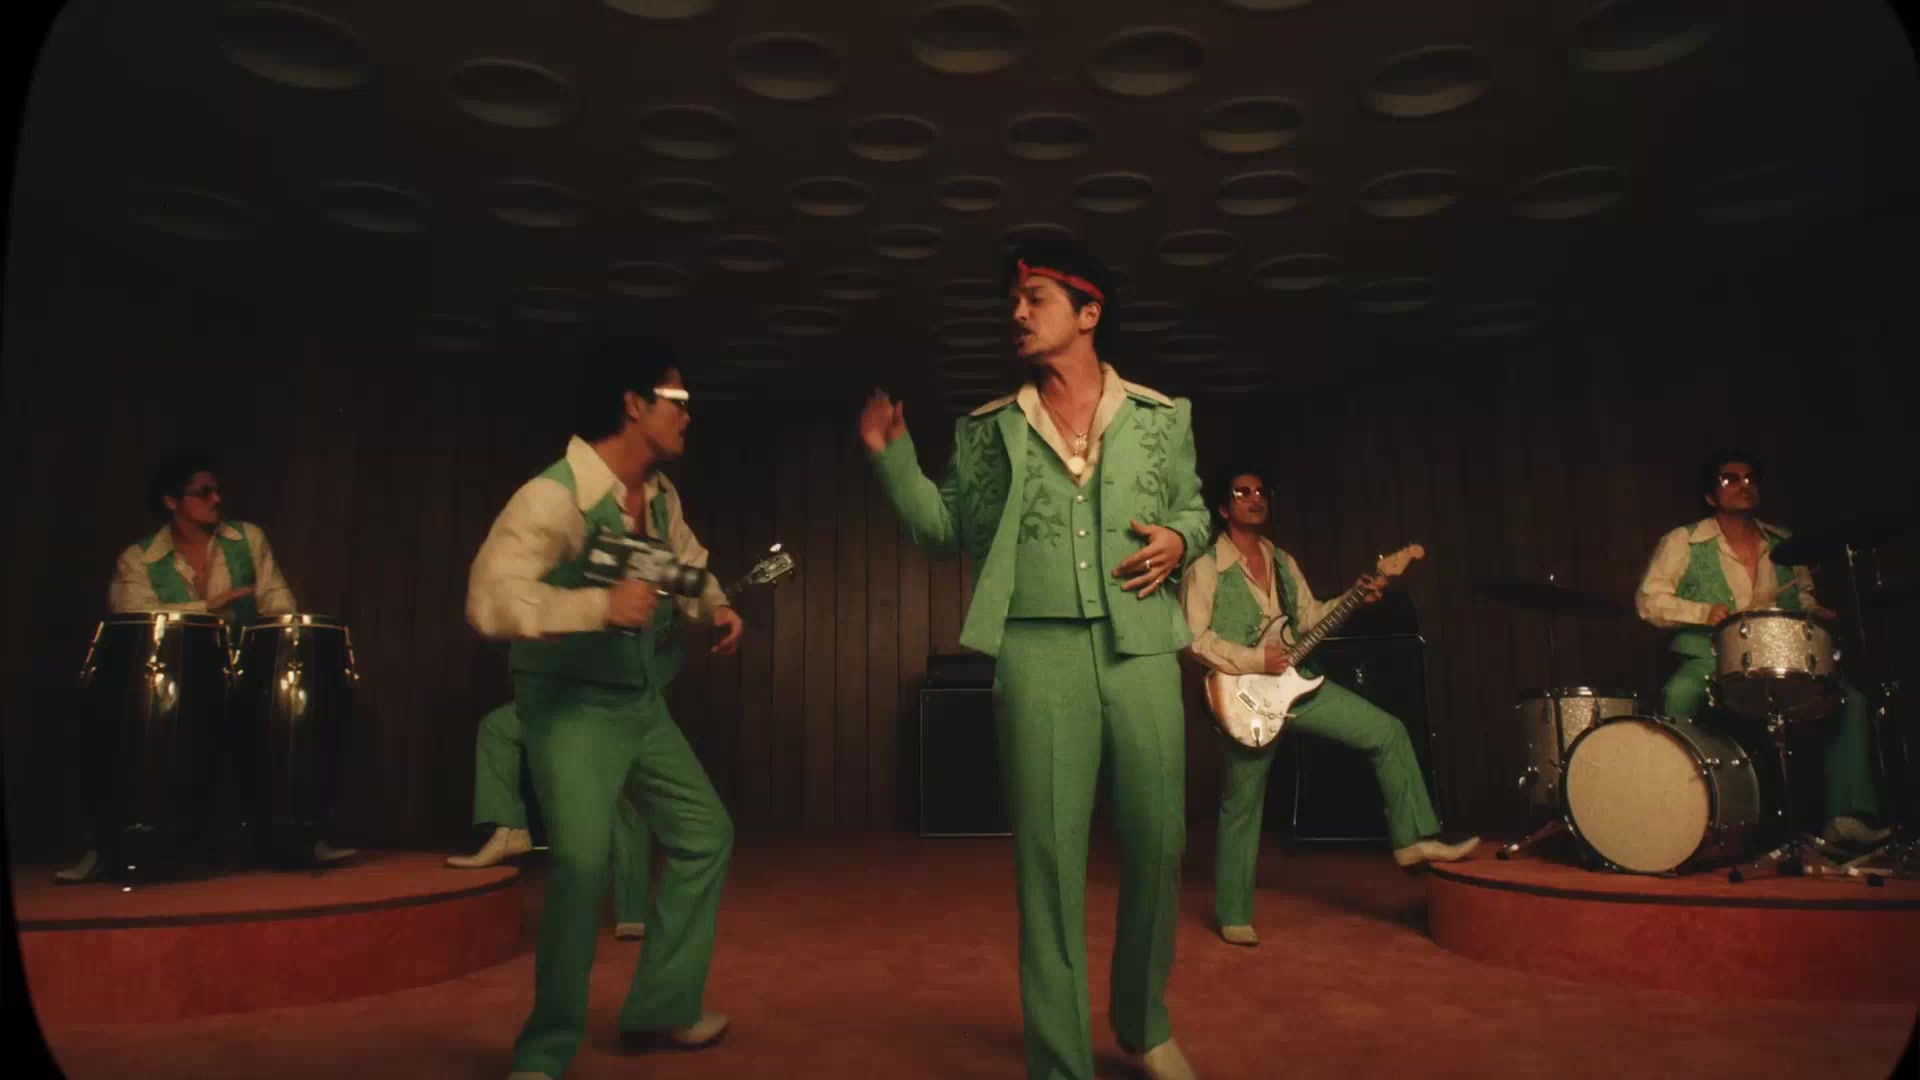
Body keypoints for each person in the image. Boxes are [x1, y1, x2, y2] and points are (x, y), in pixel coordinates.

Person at [861, 236, 1207, 1080]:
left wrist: (1181, 537)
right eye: (1012, 302)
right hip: (1036, 651)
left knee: (1160, 842)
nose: (1016, 314)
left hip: (1142, 648)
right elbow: (944, 530)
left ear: (1089, 313)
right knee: (1048, 860)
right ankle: (1059, 1063)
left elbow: (1195, 510)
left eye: (1036, 299)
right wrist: (893, 461)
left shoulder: (1162, 418)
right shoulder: (988, 432)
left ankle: (1143, 1021)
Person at [468, 337, 742, 1080]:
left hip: (637, 702)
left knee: (704, 834)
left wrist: (715, 606)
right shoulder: (554, 496)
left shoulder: (658, 496)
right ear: (633, 405)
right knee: (583, 865)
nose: (689, 415)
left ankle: (661, 1007)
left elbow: (683, 564)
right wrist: (596, 606)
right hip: (570, 707)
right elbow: (489, 598)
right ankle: (544, 1049)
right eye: (677, 401)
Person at [1181, 465, 1478, 947]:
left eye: (1261, 491)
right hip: (1244, 698)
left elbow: (1309, 618)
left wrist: (1356, 597)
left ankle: (1414, 840)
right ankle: (1233, 914)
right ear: (1222, 507)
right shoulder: (1206, 566)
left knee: (1387, 732)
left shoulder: (1282, 561)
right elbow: (1194, 639)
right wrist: (1256, 659)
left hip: (1296, 686)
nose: (1256, 498)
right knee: (1242, 805)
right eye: (1242, 492)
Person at [59, 454, 349, 882]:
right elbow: (132, 613)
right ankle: (117, 844)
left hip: (247, 672)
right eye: (204, 492)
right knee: (127, 711)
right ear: (171, 501)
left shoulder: (247, 538)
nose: (217, 499)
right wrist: (208, 607)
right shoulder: (139, 558)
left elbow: (279, 602)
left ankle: (296, 836)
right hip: (179, 679)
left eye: (217, 491)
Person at [1635, 449, 1887, 848]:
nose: (1744, 485)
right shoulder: (1685, 540)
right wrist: (1702, 612)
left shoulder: (1783, 542)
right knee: (1679, 694)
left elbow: (1801, 598)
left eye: (1750, 478)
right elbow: (1649, 601)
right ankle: (1679, 815)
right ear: (1710, 496)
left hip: (1781, 656)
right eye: (1730, 479)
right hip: (1710, 657)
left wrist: (1821, 612)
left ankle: (1846, 817)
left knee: (1849, 699)